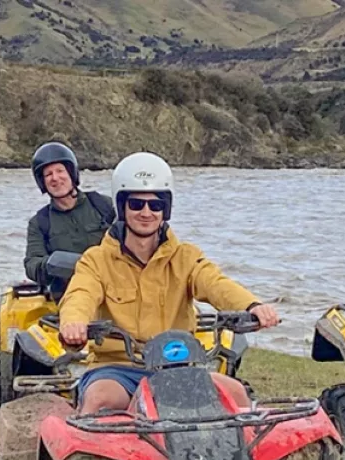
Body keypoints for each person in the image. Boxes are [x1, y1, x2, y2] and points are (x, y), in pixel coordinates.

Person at [57, 152, 282, 414]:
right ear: (122, 206)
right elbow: (80, 293)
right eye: (136, 204)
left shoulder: (186, 256)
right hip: (118, 370)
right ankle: (93, 455)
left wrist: (253, 305)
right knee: (99, 401)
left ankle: (240, 455)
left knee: (236, 395)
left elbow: (215, 283)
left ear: (166, 209)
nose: (146, 212)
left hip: (180, 367)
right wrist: (73, 322)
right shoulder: (96, 260)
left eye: (155, 205)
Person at [23, 142, 115, 286]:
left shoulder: (103, 205)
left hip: (111, 286)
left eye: (60, 171)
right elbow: (32, 263)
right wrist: (54, 264)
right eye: (48, 174)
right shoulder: (39, 222)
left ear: (71, 173)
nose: (55, 178)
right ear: (42, 182)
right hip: (69, 293)